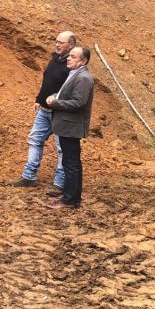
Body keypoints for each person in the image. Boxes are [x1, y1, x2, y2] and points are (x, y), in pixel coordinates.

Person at [10, 31, 76, 190]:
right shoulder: (55, 59)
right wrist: (39, 99)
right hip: (45, 111)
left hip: (60, 113)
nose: (58, 44)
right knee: (34, 140)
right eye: (57, 41)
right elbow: (47, 81)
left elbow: (71, 91)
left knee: (61, 148)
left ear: (71, 45)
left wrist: (58, 103)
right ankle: (28, 177)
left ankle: (59, 183)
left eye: (62, 42)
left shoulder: (71, 66)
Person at [45, 46, 95, 209]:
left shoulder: (83, 78)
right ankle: (72, 198)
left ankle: (69, 200)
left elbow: (78, 103)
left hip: (71, 127)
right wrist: (56, 96)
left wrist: (55, 102)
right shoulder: (75, 74)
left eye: (73, 57)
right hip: (67, 126)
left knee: (71, 164)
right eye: (69, 56)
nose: (68, 58)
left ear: (83, 61)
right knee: (71, 163)